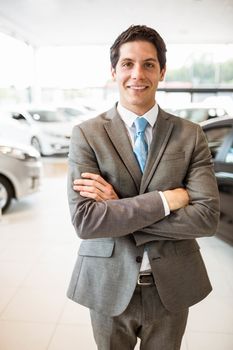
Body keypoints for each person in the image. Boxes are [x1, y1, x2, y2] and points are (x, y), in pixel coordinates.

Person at [67, 25, 220, 350]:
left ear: (162, 71)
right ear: (113, 71)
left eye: (149, 64)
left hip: (172, 286)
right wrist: (167, 200)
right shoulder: (87, 134)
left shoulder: (190, 135)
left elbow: (206, 218)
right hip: (107, 283)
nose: (138, 74)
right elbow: (87, 221)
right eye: (128, 64)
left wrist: (117, 207)